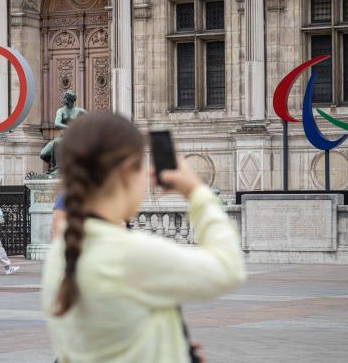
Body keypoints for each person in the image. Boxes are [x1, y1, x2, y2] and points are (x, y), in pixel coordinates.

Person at [41, 113, 246, 362]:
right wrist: (196, 192)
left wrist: (167, 344)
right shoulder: (128, 254)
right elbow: (229, 268)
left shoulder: (59, 254)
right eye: (143, 166)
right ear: (128, 171)